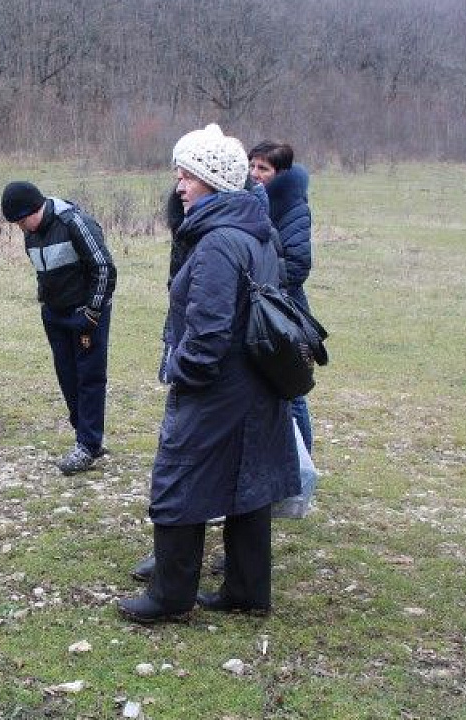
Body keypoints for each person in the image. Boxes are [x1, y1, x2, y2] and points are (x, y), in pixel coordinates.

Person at [118, 124, 299, 624]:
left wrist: (181, 372)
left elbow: (208, 334)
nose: (179, 184)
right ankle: (245, 590)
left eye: (188, 175)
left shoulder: (219, 241)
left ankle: (170, 595)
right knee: (248, 481)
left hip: (220, 384)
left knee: (178, 476)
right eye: (179, 173)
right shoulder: (256, 230)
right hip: (256, 381)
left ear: (214, 182)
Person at [1, 181, 117, 474]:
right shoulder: (30, 233)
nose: (20, 228)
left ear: (34, 209)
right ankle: (86, 434)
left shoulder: (74, 222)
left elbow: (103, 267)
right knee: (68, 377)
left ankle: (88, 446)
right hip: (55, 315)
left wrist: (92, 313)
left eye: (21, 220)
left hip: (86, 315)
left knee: (89, 378)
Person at [249, 140, 315, 453]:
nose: (255, 173)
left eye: (264, 168)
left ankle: (304, 465)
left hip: (284, 311)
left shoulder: (294, 206)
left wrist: (264, 282)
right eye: (252, 166)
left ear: (281, 173)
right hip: (259, 308)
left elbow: (299, 264)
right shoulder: (252, 201)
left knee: (292, 390)